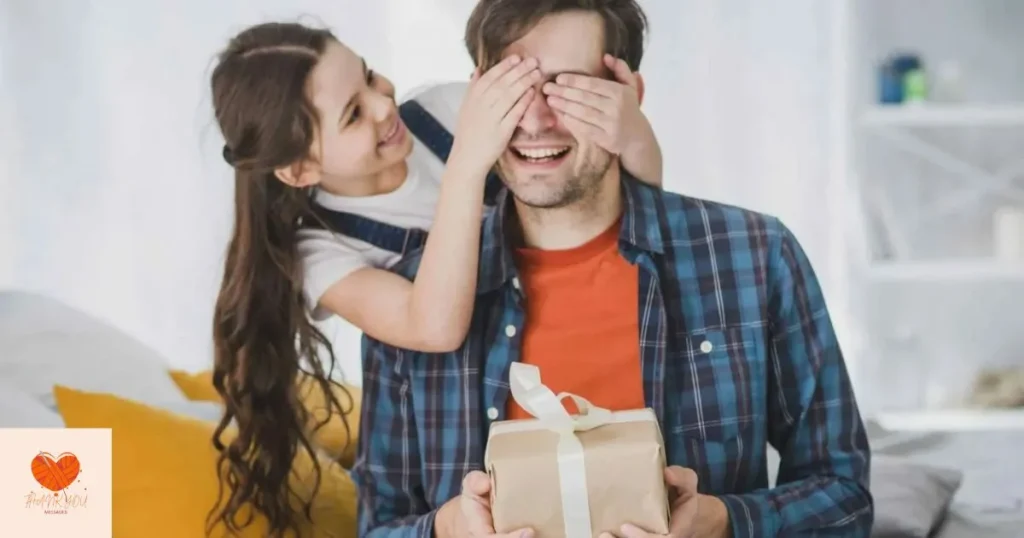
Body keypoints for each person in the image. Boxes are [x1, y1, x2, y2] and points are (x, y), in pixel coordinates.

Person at [355, 1, 874, 537]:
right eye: (511, 90)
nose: (535, 121)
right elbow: (378, 527)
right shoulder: (410, 302)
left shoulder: (754, 256)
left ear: (629, 97)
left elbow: (846, 495)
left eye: (568, 89)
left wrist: (722, 522)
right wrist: (445, 529)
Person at [205, 18, 664, 538]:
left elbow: (631, 202)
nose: (383, 106)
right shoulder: (320, 251)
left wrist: (631, 131)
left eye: (370, 76)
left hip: (584, 329)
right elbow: (434, 326)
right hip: (478, 408)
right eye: (353, 114)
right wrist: (467, 165)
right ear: (299, 170)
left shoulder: (444, 109)